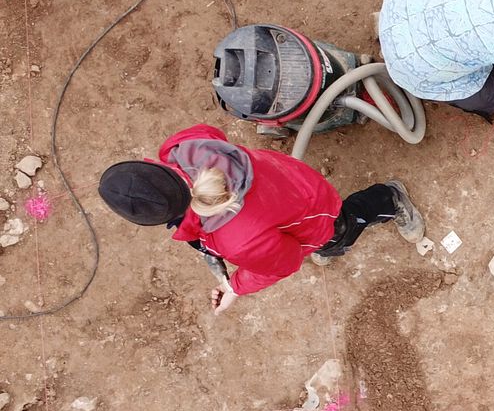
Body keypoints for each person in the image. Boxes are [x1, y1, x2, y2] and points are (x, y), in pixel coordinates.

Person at [97, 124, 424, 314]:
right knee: (316, 240)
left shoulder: (236, 239)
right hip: (290, 181)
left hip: (315, 214)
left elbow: (284, 263)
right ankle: (325, 244)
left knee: (340, 230)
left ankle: (388, 198)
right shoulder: (181, 148)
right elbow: (214, 133)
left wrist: (236, 287)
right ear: (151, 164)